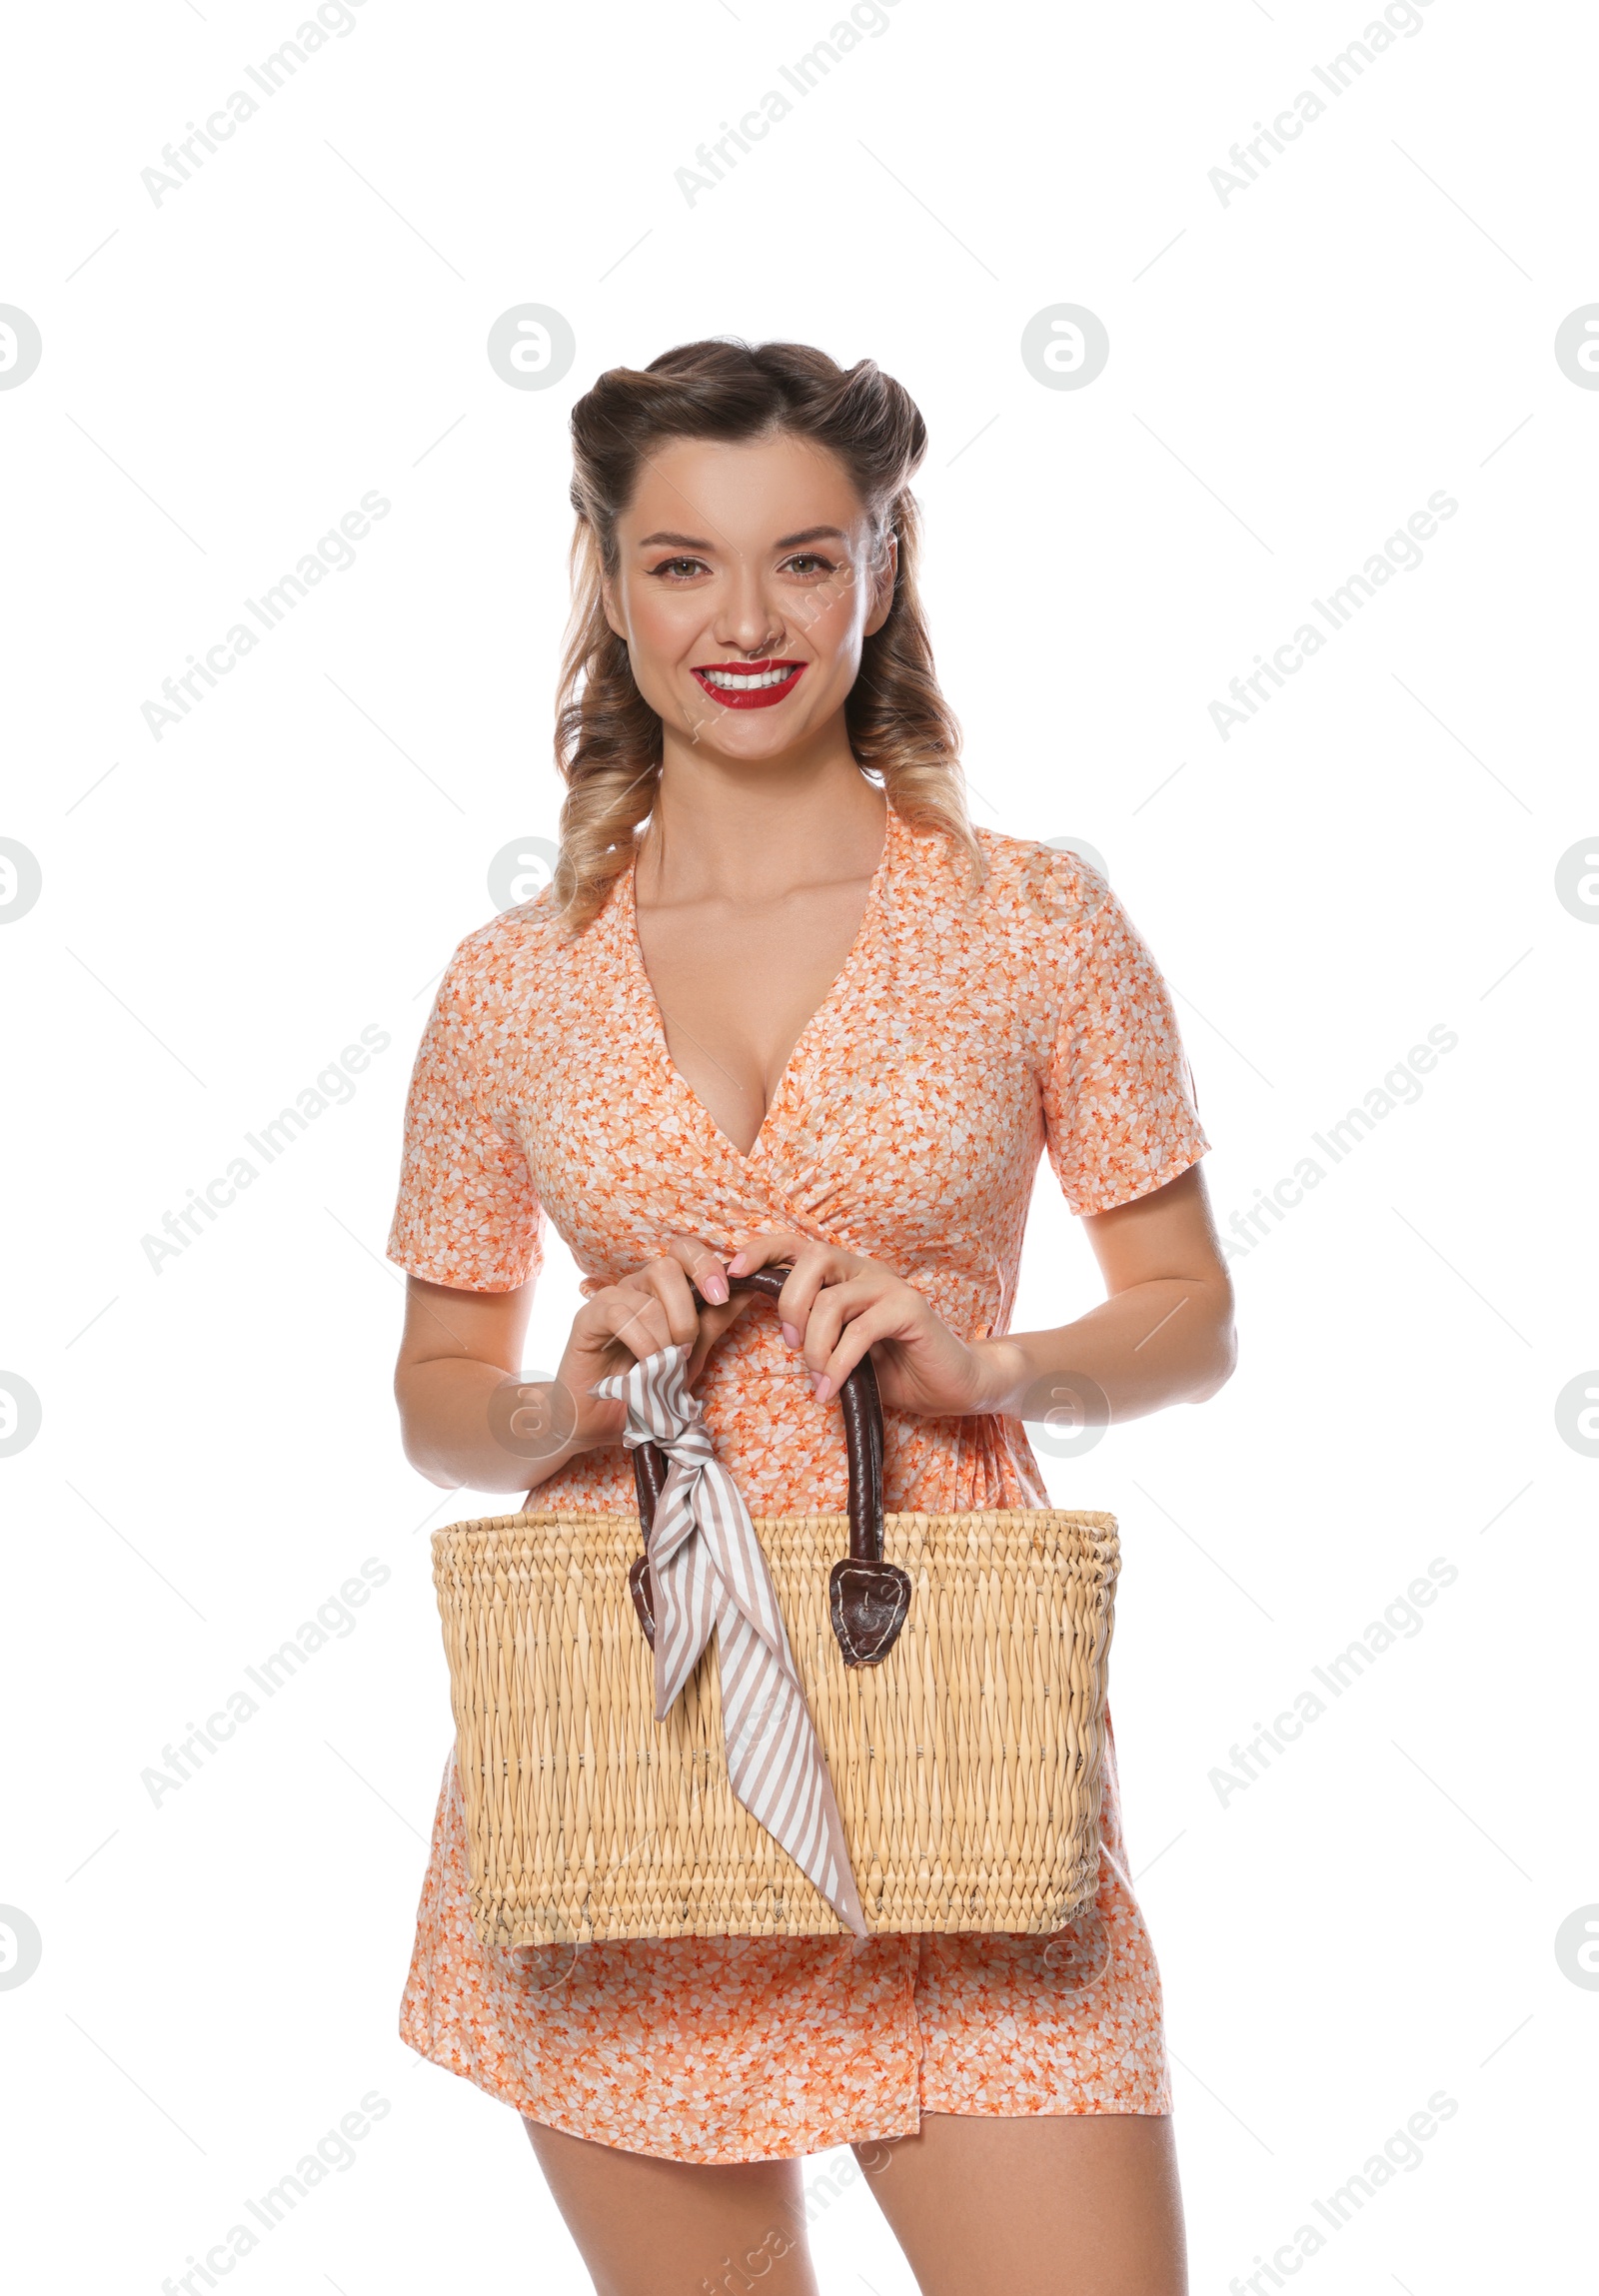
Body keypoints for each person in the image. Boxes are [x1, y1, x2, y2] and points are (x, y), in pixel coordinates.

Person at [386, 338, 1235, 2296]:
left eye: (802, 558)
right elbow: (436, 1399)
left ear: (881, 565)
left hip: (944, 1733)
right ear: (603, 577)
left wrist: (998, 1365)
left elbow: (1186, 1313)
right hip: (624, 1753)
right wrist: (564, 1401)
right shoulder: (507, 985)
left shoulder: (1031, 922)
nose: (744, 621)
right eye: (681, 563)